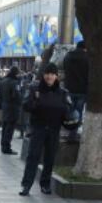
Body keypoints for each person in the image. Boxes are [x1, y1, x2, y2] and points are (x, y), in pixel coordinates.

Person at [19, 63, 78, 196]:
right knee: (32, 157)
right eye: (47, 74)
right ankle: (26, 185)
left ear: (57, 76)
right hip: (38, 128)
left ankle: (45, 185)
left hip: (54, 130)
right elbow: (26, 106)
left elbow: (68, 111)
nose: (49, 76)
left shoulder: (63, 93)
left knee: (50, 158)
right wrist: (36, 101)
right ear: (43, 75)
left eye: (52, 74)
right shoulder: (35, 89)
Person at [62, 41, 89, 142]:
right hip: (82, 90)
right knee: (78, 112)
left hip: (69, 88)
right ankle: (73, 135)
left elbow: (64, 69)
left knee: (69, 111)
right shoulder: (87, 58)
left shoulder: (68, 56)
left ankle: (67, 132)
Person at [0, 66, 22, 154]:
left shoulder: (3, 81)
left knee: (5, 127)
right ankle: (7, 147)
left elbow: (0, 95)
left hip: (5, 106)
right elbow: (17, 95)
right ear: (16, 73)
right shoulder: (15, 83)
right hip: (13, 108)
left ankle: (3, 145)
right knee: (10, 128)